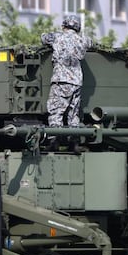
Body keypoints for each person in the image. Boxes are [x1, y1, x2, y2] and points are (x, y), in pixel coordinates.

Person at [41, 15, 93, 153]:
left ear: (64, 25)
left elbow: (43, 38)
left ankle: (54, 141)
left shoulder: (57, 37)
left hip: (62, 79)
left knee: (56, 111)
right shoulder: (83, 39)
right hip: (77, 81)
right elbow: (91, 43)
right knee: (73, 113)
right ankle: (74, 143)